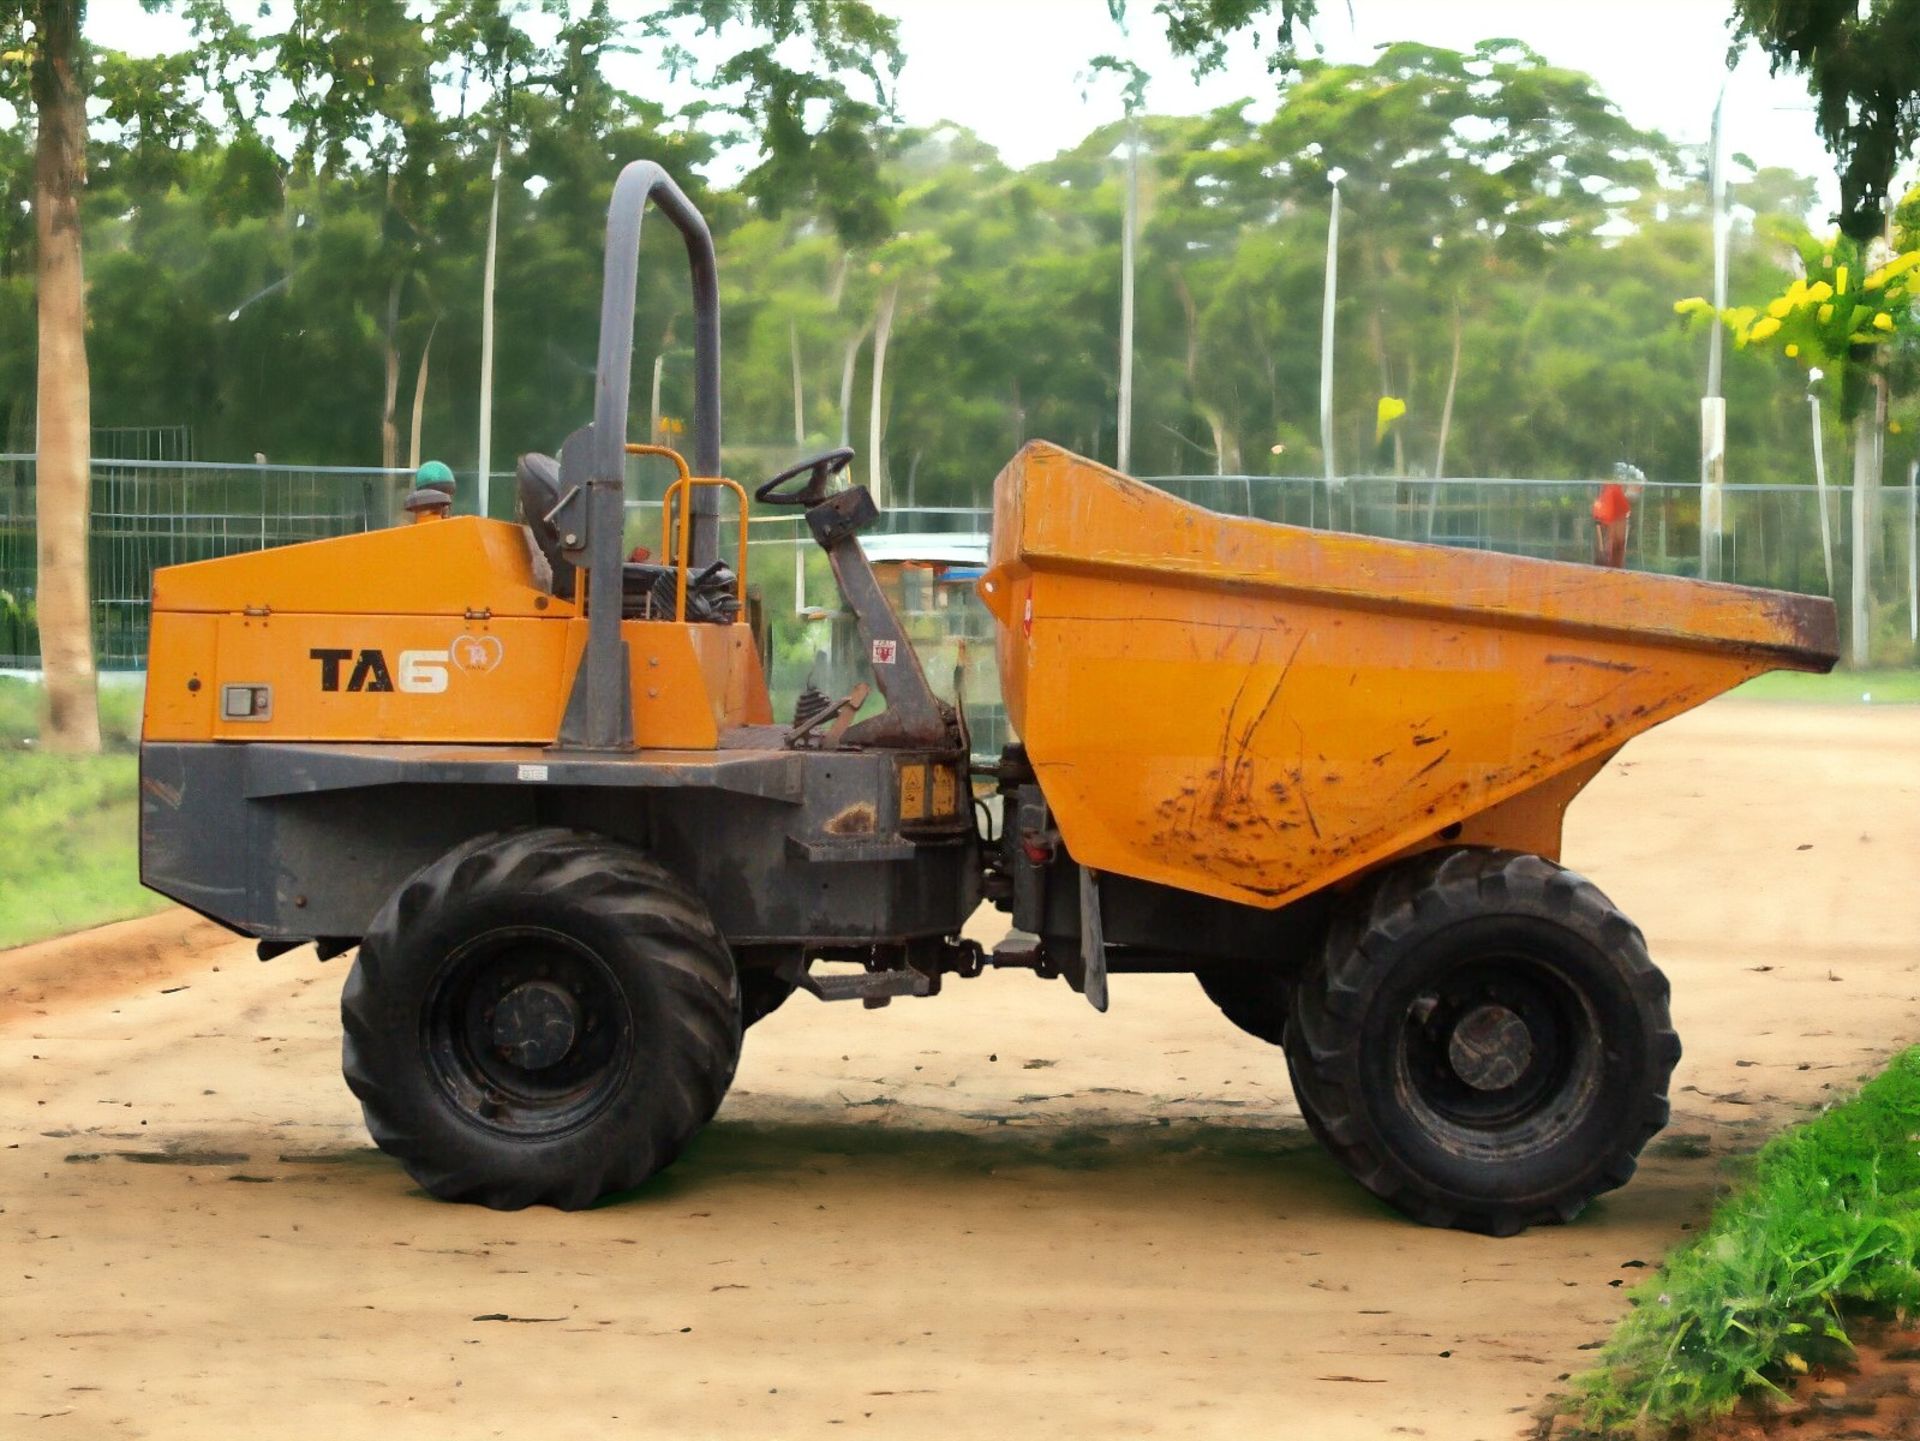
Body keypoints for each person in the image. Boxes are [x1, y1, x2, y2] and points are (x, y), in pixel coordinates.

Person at [1592, 463, 1645, 568]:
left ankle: (1612, 564)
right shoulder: (1610, 492)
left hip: (1615, 515)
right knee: (1614, 546)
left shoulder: (1613, 491)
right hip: (1612, 516)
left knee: (1616, 547)